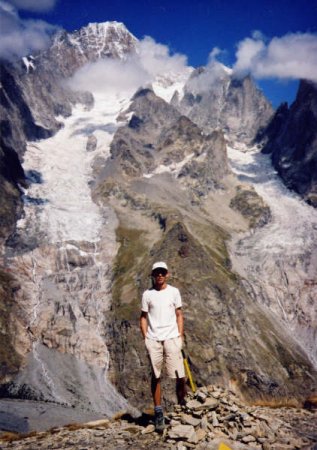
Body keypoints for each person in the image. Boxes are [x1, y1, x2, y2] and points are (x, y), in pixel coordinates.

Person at [140, 261, 186, 431]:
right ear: (153, 275)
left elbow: (179, 314)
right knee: (156, 375)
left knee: (180, 374)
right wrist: (146, 337)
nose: (159, 275)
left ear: (167, 274)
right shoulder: (147, 294)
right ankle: (158, 412)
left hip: (172, 337)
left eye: (162, 272)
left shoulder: (174, 292)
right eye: (156, 272)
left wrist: (180, 335)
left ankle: (182, 407)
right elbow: (143, 317)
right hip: (154, 339)